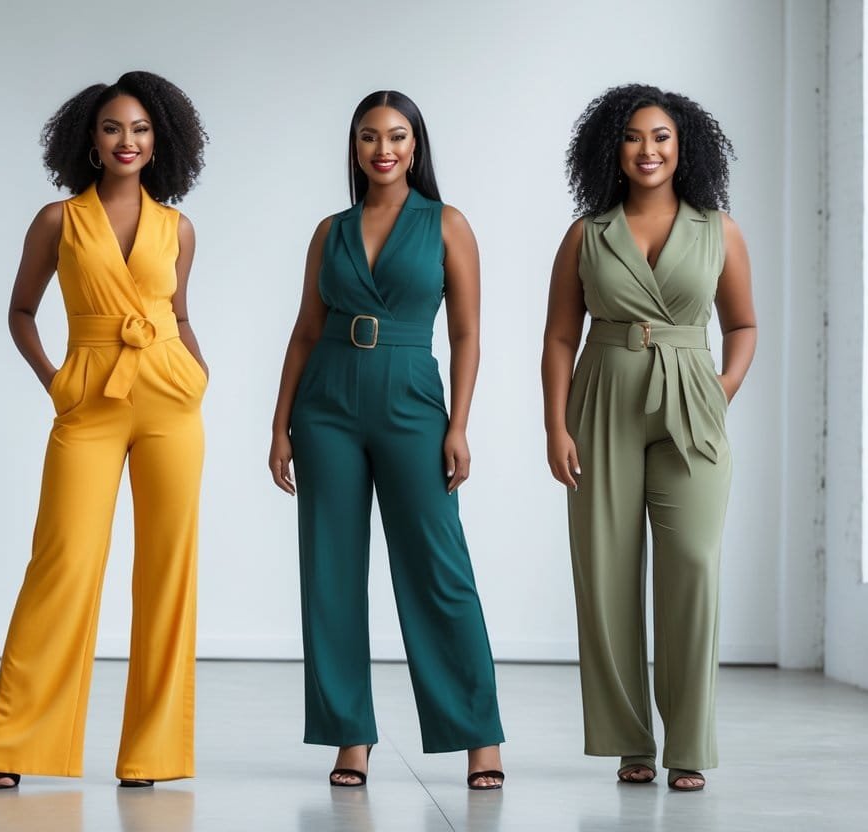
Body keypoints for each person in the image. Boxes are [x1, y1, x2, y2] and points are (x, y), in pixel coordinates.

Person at [268, 90, 505, 790]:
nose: (383, 149)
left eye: (396, 137)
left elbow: (465, 333)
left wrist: (458, 423)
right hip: (327, 401)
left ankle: (477, 735)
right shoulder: (329, 230)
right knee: (330, 572)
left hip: (410, 397)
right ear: (354, 147)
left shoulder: (446, 224)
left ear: (415, 146)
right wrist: (280, 422)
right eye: (369, 137)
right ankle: (349, 735)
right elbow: (306, 330)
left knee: (437, 569)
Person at [0, 71, 209, 790]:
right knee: (64, 563)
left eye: (140, 129)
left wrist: (198, 375)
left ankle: (150, 756)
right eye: (113, 128)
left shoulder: (178, 227)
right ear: (89, 138)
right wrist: (56, 379)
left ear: (159, 140)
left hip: (171, 400)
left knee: (167, 575)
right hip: (90, 399)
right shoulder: (58, 221)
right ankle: (17, 747)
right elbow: (20, 311)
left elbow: (180, 312)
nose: (127, 141)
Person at [541, 83, 756, 792]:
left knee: (691, 566)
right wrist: (554, 425)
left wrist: (717, 390)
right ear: (613, 147)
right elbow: (559, 336)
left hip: (690, 400)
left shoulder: (717, 229)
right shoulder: (586, 233)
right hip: (602, 397)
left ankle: (687, 742)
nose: (647, 149)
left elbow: (743, 326)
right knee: (604, 575)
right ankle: (630, 741)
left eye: (660, 136)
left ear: (682, 145)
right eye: (633, 136)